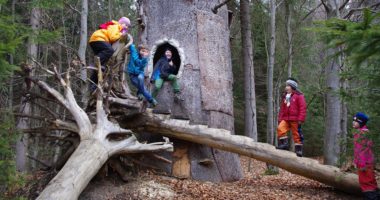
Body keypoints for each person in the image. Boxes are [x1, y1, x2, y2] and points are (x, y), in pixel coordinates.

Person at [88, 17, 130, 91]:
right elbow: (112, 37)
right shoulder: (115, 26)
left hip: (97, 40)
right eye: (125, 25)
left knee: (101, 67)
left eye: (127, 26)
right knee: (109, 50)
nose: (126, 27)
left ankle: (93, 86)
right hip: (98, 38)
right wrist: (121, 34)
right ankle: (94, 64)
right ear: (121, 23)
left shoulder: (116, 27)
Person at [276, 78, 307, 157]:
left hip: (295, 119)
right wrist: (280, 118)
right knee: (280, 128)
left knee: (297, 134)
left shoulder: (299, 96)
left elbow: (302, 108)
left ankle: (299, 150)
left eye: (288, 86)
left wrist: (300, 119)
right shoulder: (285, 96)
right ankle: (284, 144)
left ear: (292, 87)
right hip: (285, 118)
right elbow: (282, 108)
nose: (286, 87)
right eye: (286, 86)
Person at [352, 112, 379, 200]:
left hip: (365, 164)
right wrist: (355, 161)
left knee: (366, 182)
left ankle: (372, 197)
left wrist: (362, 165)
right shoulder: (361, 132)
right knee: (370, 181)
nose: (353, 122)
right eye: (353, 120)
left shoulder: (362, 134)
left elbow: (364, 151)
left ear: (361, 123)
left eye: (355, 121)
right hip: (364, 163)